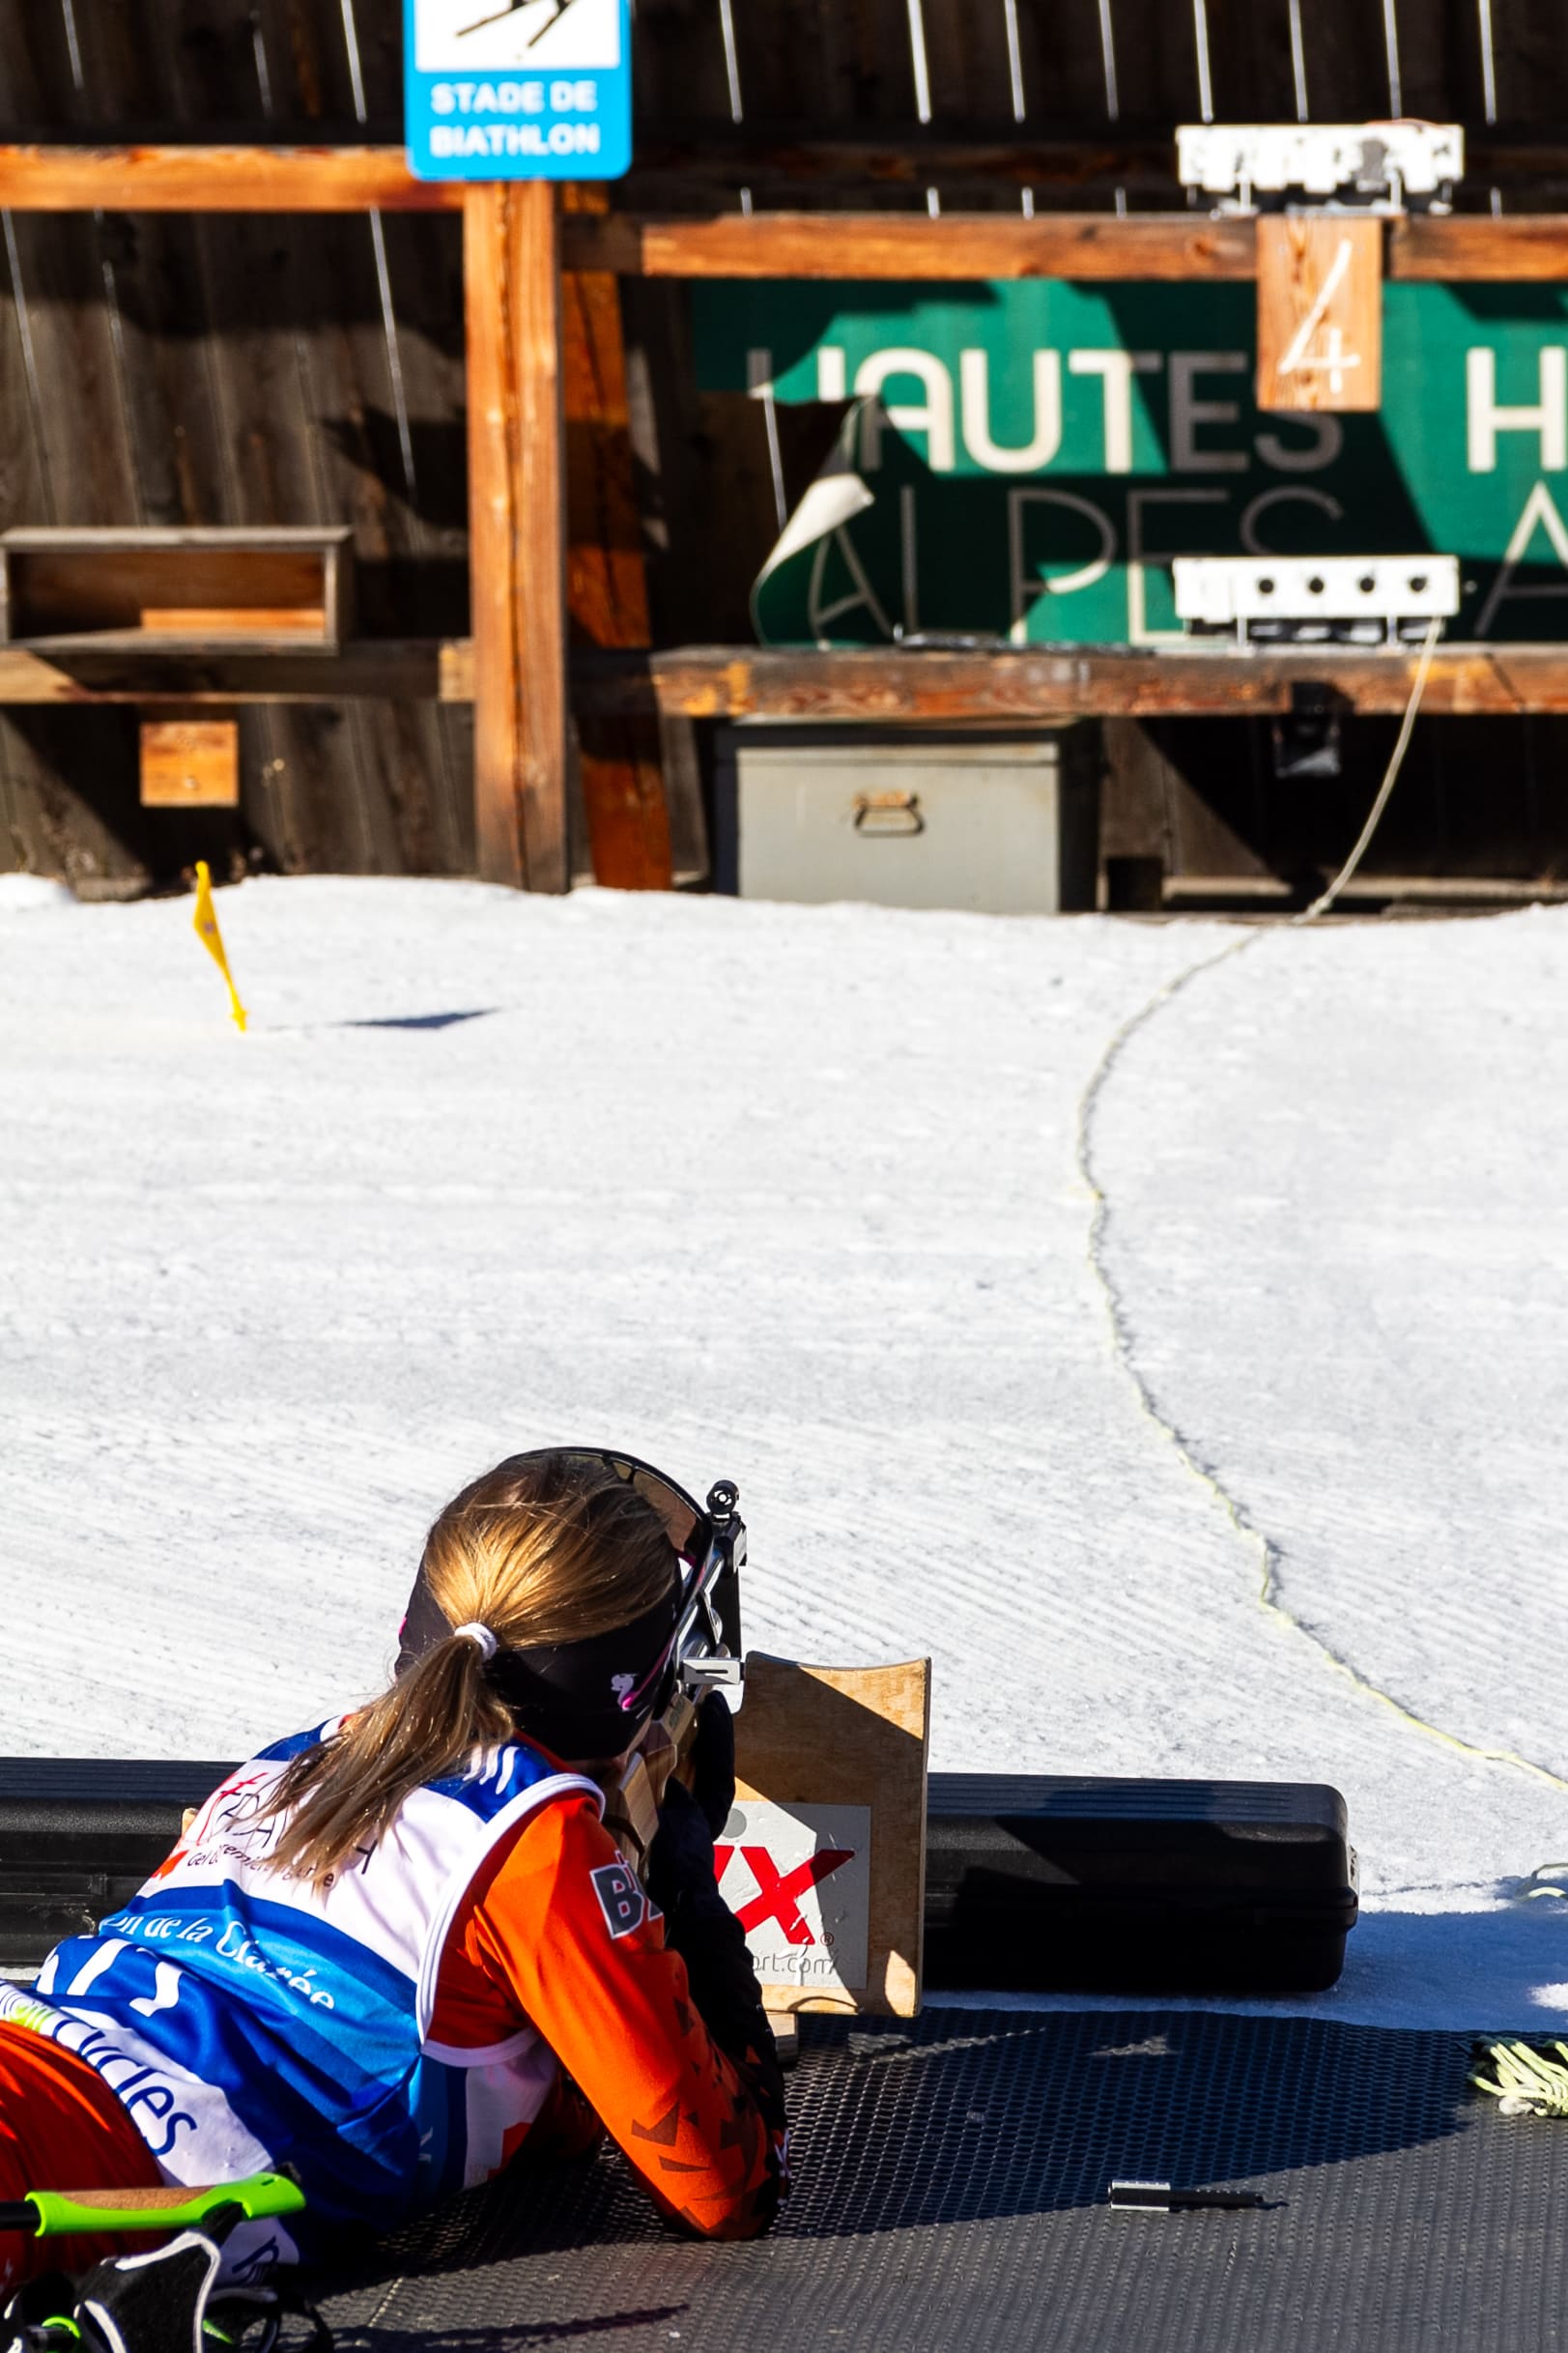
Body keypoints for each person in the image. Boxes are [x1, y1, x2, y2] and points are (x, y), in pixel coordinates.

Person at [0, 1450, 787, 2297]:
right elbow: (728, 2186)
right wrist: (686, 1886)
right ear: (629, 1691)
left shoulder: (310, 1753)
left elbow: (527, 2111)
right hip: (66, 2159)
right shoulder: (537, 1842)